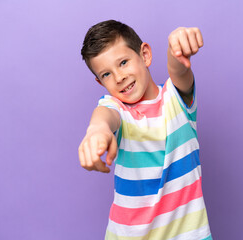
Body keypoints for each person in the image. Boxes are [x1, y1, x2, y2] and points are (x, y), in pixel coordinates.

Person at [79, 20, 212, 240]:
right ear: (100, 82)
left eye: (123, 62)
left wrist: (175, 47)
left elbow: (178, 69)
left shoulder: (175, 98)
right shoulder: (117, 109)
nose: (119, 77)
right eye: (106, 74)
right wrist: (96, 130)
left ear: (145, 55)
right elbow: (104, 115)